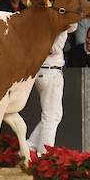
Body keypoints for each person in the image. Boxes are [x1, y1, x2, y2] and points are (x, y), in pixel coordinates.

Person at [27, 23, 78, 156]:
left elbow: (73, 26)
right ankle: (44, 155)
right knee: (51, 116)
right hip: (50, 72)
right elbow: (53, 48)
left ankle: (30, 146)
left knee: (53, 115)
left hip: (43, 71)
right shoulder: (57, 26)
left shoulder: (44, 23)